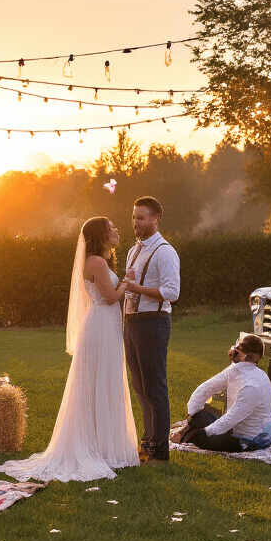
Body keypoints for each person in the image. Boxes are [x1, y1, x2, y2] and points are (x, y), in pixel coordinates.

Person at [0, 217, 140, 482]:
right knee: (100, 379)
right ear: (100, 235)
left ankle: (105, 444)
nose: (116, 230)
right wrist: (126, 282)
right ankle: (101, 447)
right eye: (111, 228)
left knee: (105, 379)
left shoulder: (100, 261)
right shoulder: (96, 262)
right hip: (101, 324)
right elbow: (110, 298)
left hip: (105, 323)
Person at [122, 196, 181, 463]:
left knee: (155, 387)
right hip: (132, 322)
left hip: (153, 322)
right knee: (140, 386)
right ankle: (147, 441)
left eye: (141, 217)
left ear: (156, 219)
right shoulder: (133, 251)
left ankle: (159, 450)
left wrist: (136, 289)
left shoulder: (165, 252)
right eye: (134, 217)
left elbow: (172, 292)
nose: (135, 222)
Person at [174, 334, 271, 452]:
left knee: (196, 438)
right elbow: (205, 389)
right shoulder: (234, 370)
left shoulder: (251, 387)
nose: (233, 349)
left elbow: (231, 418)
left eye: (237, 347)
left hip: (250, 440)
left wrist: (203, 432)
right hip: (232, 429)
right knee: (199, 418)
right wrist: (192, 416)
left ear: (243, 355)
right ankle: (191, 429)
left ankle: (189, 435)